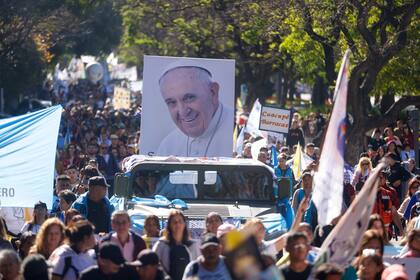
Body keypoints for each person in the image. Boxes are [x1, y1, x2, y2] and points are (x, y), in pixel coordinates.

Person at [156, 63, 234, 157]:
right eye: (172, 102)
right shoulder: (168, 146)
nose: (182, 111)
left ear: (213, 92)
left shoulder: (237, 131)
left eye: (189, 98)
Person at [153, 210, 200, 280]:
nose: (177, 224)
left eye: (180, 221)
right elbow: (154, 265)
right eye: (174, 222)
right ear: (169, 225)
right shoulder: (161, 244)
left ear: (184, 224)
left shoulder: (194, 245)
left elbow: (199, 266)